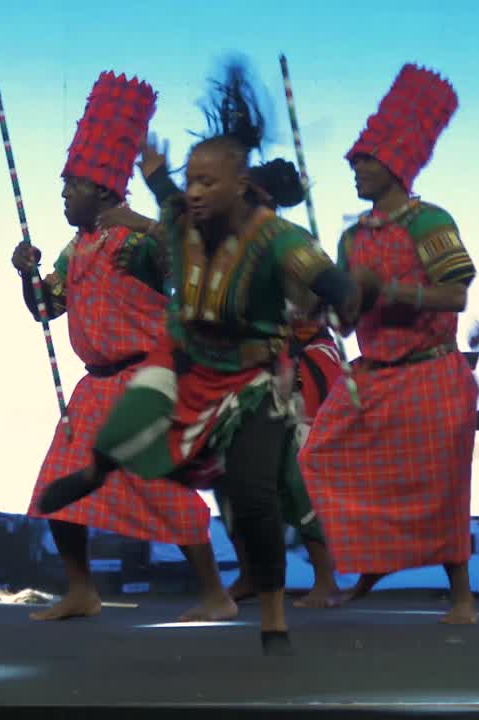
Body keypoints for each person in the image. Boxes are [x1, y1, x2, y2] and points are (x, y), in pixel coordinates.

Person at [38, 57, 373, 655]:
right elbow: (172, 232)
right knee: (188, 482)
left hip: (255, 377)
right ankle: (91, 548)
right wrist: (157, 176)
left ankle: (274, 602)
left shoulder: (269, 237)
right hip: (177, 370)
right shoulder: (155, 232)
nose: (194, 191)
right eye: (191, 181)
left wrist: (349, 296)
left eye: (206, 182)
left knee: (267, 489)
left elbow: (301, 280)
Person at [16, 71, 231, 623]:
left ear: (101, 188)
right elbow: (46, 308)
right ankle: (81, 590)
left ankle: (215, 594)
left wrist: (141, 221)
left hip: (147, 380)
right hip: (94, 386)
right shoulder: (76, 248)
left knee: (162, 489)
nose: (63, 195)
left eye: (70, 185)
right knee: (57, 486)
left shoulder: (139, 240)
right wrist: (26, 275)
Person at [108, 142, 342, 608]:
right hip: (237, 369)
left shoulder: (285, 240)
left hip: (296, 364)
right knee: (227, 469)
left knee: (292, 472)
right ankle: (253, 571)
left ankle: (324, 579)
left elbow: (311, 302)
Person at [297, 64, 479, 623]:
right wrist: (334, 304)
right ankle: (369, 567)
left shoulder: (430, 222)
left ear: (396, 165)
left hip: (431, 371)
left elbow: (456, 296)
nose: (354, 168)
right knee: (318, 459)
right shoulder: (353, 236)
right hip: (372, 374)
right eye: (354, 159)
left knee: (442, 488)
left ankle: (462, 597)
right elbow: (349, 321)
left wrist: (389, 290)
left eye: (365, 160)